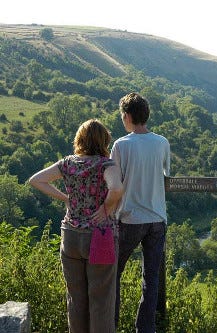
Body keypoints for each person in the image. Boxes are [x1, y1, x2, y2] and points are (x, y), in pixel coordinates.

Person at [29, 119, 124, 333]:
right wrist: (107, 208)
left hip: (70, 235)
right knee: (101, 301)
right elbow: (116, 188)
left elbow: (36, 180)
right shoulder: (105, 164)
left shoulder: (67, 164)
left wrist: (66, 198)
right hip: (99, 236)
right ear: (104, 140)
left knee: (75, 299)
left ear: (79, 139)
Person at [112, 92, 170, 333]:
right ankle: (145, 329)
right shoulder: (162, 142)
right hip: (157, 218)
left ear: (127, 116)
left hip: (130, 218)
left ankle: (109, 325)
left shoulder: (121, 145)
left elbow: (114, 185)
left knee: (112, 274)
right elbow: (165, 175)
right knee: (151, 279)